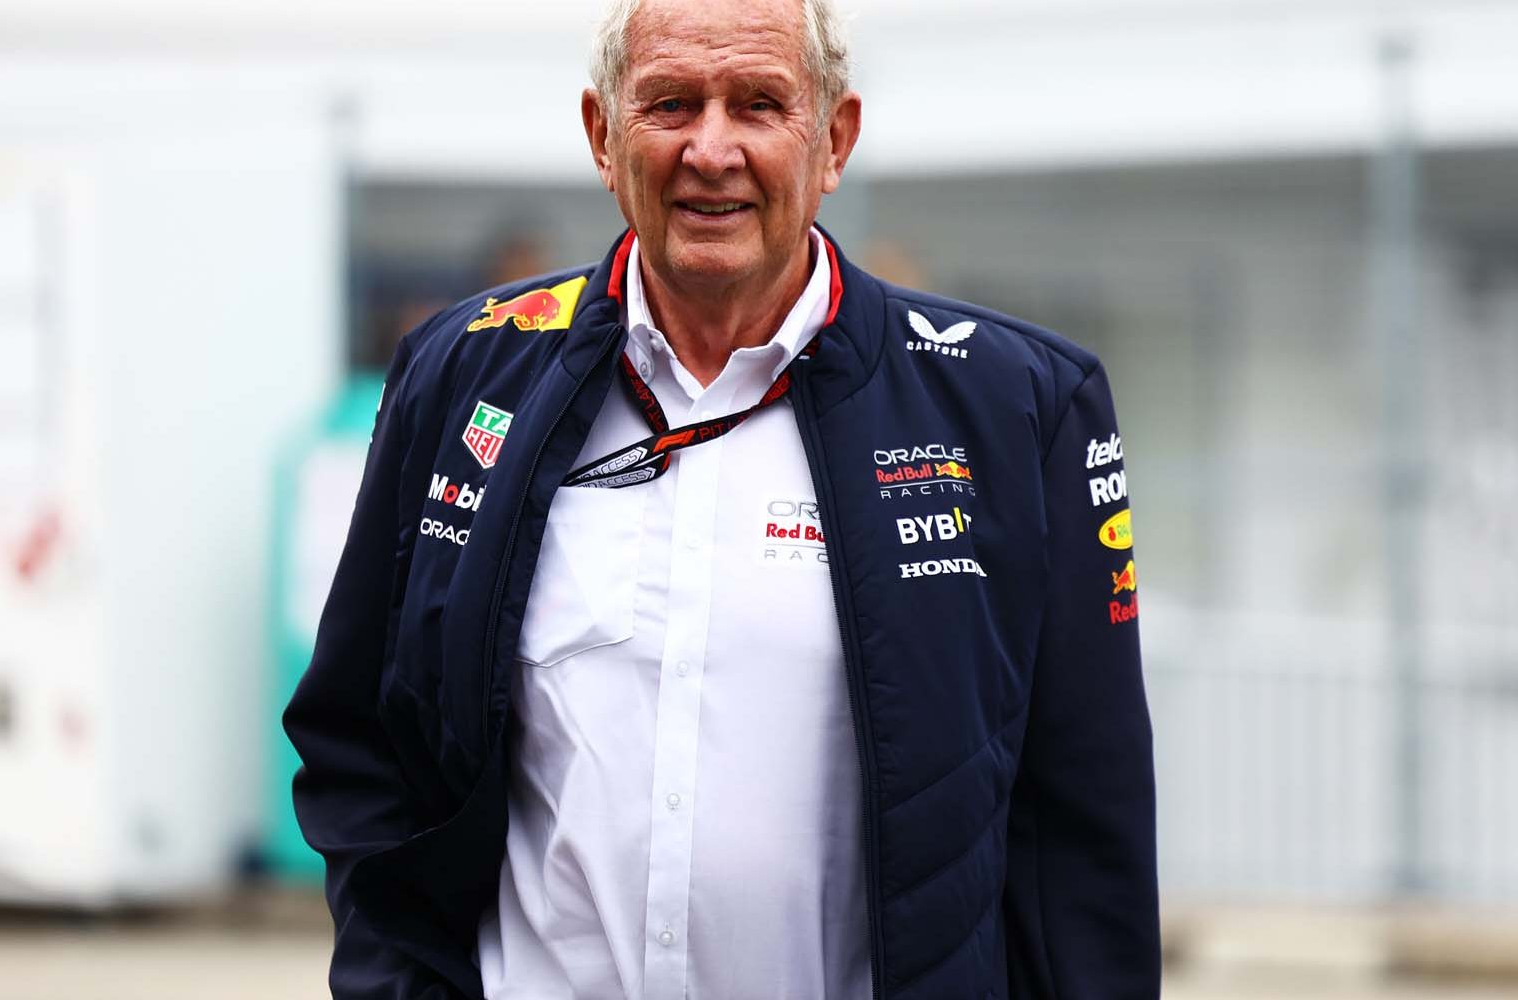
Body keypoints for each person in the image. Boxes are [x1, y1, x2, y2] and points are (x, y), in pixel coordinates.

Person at [283, 0, 1158, 996]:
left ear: (833, 140)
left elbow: (1085, 840)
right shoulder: (465, 372)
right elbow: (363, 744)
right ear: (602, 137)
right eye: (669, 104)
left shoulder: (1018, 409)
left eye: (757, 104)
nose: (711, 149)